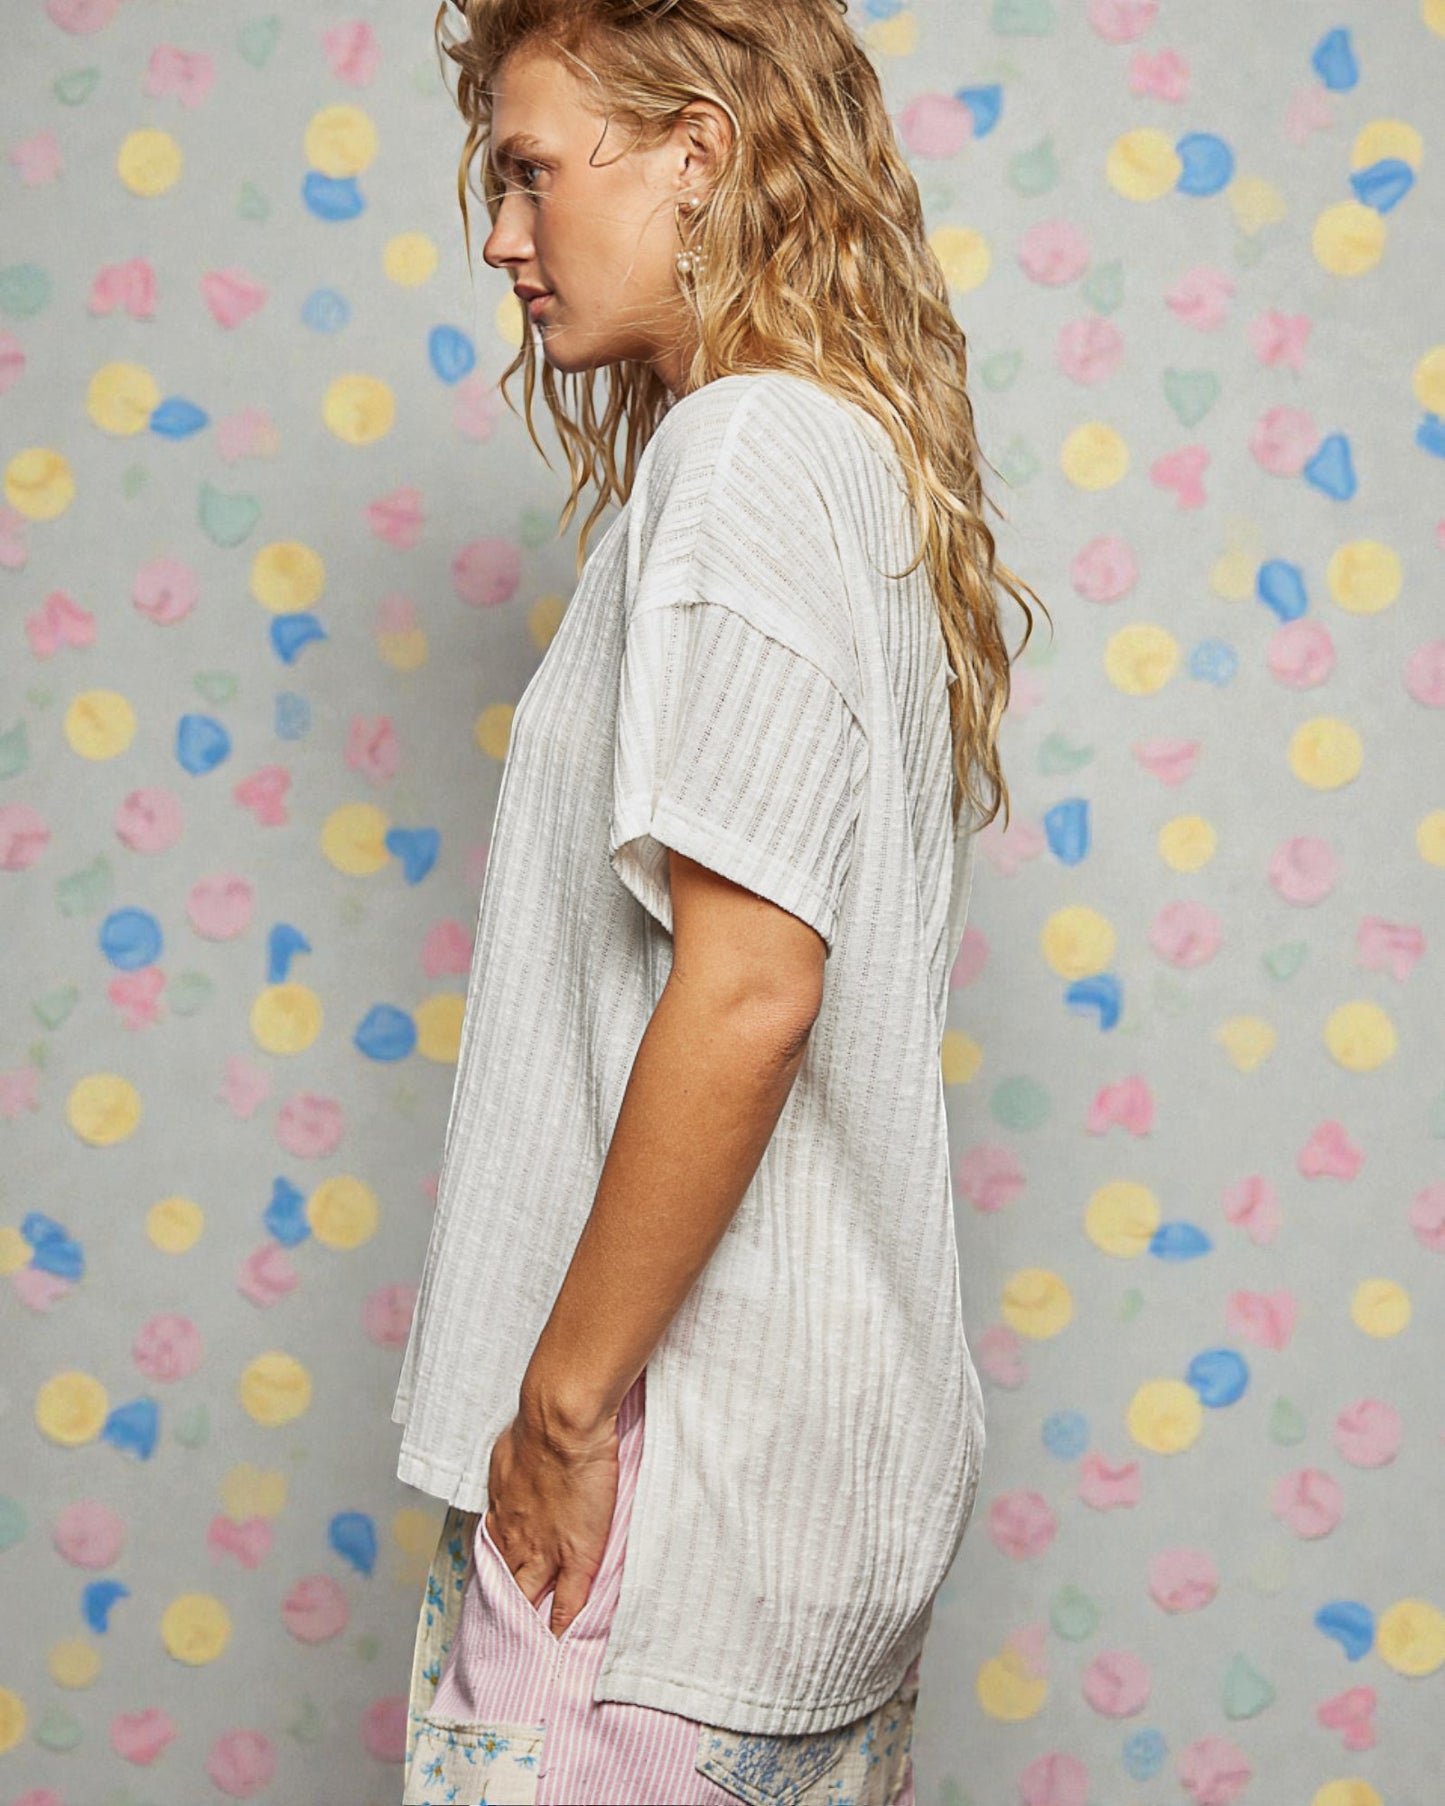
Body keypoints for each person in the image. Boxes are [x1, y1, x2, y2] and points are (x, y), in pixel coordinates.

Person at [394, 1, 1048, 1801]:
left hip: (663, 1518)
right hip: (789, 1508)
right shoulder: (843, 462)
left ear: (695, 151)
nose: (499, 233)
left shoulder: (748, 456)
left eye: (529, 169)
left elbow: (751, 985)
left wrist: (561, 1407)